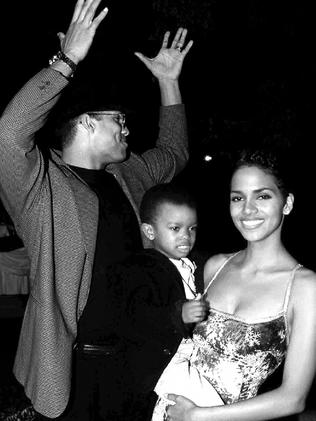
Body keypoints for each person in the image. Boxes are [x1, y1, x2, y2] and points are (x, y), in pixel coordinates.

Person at [0, 0, 193, 418]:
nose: (126, 128)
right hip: (72, 373)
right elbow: (9, 132)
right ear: (86, 122)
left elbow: (174, 152)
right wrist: (67, 60)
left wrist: (168, 83)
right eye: (118, 120)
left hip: (137, 365)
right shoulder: (40, 182)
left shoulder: (128, 174)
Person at [164, 148, 316, 421]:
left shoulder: (305, 287)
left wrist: (197, 416)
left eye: (263, 196)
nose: (248, 209)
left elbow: (293, 398)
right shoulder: (214, 266)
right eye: (238, 198)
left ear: (287, 203)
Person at [105, 182, 209, 420]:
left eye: (192, 228)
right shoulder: (140, 268)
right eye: (175, 228)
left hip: (191, 355)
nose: (186, 236)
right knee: (210, 406)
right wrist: (178, 314)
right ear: (150, 232)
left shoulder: (194, 263)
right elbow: (134, 316)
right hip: (162, 363)